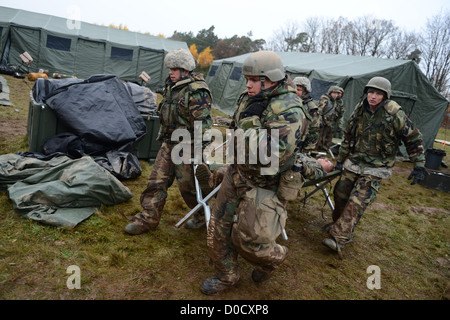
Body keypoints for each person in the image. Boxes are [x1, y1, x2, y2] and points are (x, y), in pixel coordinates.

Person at [200, 51, 308, 295]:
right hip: (238, 172)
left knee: (250, 243)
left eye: (254, 79)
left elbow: (272, 153)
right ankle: (226, 274)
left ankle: (274, 258)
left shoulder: (289, 109)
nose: (247, 84)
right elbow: (236, 130)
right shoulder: (251, 97)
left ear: (271, 79)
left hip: (264, 184)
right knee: (218, 226)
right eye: (247, 78)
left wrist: (250, 122)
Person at [323, 77, 426, 258]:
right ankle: (338, 226)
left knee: (357, 202)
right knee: (340, 194)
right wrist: (341, 159)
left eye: (378, 93)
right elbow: (348, 136)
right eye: (371, 92)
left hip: (377, 166)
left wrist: (418, 165)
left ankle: (339, 237)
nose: (373, 96)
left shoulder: (395, 113)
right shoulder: (359, 109)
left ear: (385, 96)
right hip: (354, 162)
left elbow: (413, 137)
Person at [124, 48, 213, 235]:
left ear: (186, 70)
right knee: (156, 181)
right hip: (168, 142)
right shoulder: (171, 87)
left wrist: (198, 153)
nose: (171, 72)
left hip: (187, 146)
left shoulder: (197, 91)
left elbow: (202, 126)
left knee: (188, 188)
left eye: (175, 69)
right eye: (170, 68)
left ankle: (202, 216)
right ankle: (147, 219)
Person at [292, 77, 321, 152]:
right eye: (294, 88)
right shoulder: (287, 102)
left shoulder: (311, 108)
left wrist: (306, 149)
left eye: (298, 90)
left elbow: (314, 130)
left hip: (299, 144)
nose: (295, 91)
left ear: (305, 92)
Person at [316, 86, 345, 152]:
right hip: (322, 123)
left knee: (327, 140)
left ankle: (323, 152)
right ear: (330, 92)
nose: (335, 95)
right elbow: (319, 112)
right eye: (334, 93)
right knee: (318, 139)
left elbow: (340, 114)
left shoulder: (336, 102)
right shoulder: (325, 99)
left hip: (329, 123)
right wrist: (319, 121)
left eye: (337, 94)